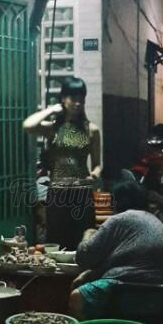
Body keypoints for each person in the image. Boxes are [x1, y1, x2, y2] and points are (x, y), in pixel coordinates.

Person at [69, 181, 163, 319]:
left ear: (115, 202)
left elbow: (84, 257)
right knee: (86, 279)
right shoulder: (152, 219)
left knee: (77, 298)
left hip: (133, 291)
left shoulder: (120, 219)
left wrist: (88, 234)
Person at [23, 77, 101, 249]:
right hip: (58, 193)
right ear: (63, 99)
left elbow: (97, 164)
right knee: (57, 241)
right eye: (73, 98)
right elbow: (28, 125)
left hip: (82, 192)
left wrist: (94, 175)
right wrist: (52, 109)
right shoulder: (53, 128)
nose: (78, 103)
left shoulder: (91, 129)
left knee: (84, 241)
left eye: (81, 99)